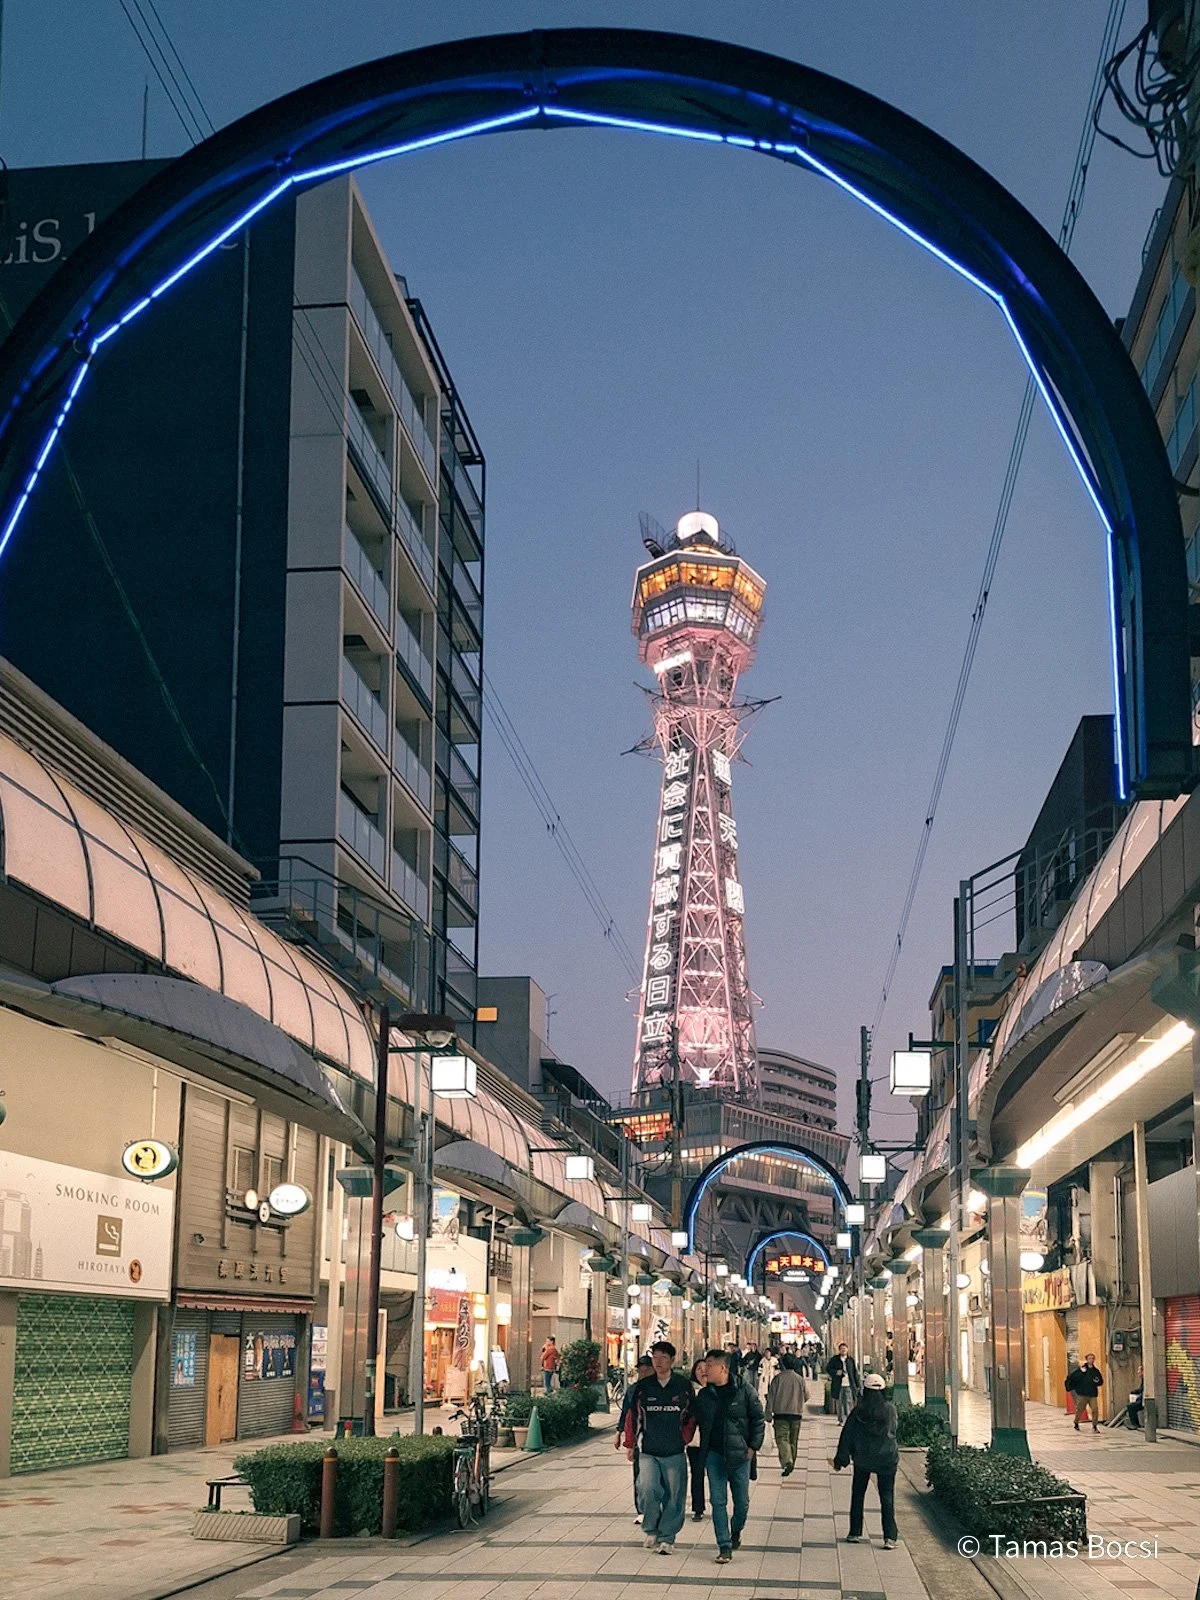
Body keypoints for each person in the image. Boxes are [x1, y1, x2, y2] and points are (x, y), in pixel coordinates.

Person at [692, 1346, 766, 1564]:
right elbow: (692, 1420)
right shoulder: (705, 1395)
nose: (705, 1369)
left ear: (723, 1367)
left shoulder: (745, 1389)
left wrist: (753, 1447)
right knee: (718, 1501)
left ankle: (735, 1531)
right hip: (714, 1455)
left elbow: (758, 1419)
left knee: (742, 1503)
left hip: (740, 1455)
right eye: (704, 1365)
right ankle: (724, 1545)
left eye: (710, 1365)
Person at [622, 1340, 695, 1555]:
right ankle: (651, 1529)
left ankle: (667, 1537)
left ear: (672, 1360)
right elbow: (633, 1416)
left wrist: (685, 1439)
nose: (658, 1361)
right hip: (648, 1450)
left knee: (674, 1495)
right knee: (647, 1488)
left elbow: (691, 1416)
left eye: (663, 1357)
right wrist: (630, 1443)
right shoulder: (644, 1388)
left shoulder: (682, 1386)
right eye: (655, 1357)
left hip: (674, 1450)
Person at [832, 1371, 899, 1549]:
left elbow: (847, 1435)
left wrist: (841, 1459)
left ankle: (855, 1532)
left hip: (863, 1458)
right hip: (887, 1459)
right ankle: (889, 1537)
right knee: (887, 1496)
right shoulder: (890, 1409)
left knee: (858, 1493)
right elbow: (894, 1431)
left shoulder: (858, 1411)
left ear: (865, 1391)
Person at [615, 1353, 654, 1520]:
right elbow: (626, 1413)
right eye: (641, 1370)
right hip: (639, 1440)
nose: (643, 1373)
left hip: (659, 1440)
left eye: (647, 1370)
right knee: (639, 1475)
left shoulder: (661, 1388)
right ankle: (641, 1510)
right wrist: (620, 1433)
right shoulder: (633, 1390)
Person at [766, 1352, 806, 1476]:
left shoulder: (777, 1379)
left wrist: (767, 1414)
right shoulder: (799, 1379)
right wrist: (797, 1401)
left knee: (782, 1438)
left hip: (780, 1414)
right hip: (796, 1414)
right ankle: (791, 1461)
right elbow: (807, 1395)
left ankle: (787, 1461)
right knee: (793, 1440)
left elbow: (771, 1398)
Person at [687, 1357, 709, 1520]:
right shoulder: (690, 1392)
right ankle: (698, 1507)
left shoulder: (716, 1391)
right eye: (698, 1369)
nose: (702, 1371)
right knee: (697, 1474)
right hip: (695, 1440)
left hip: (713, 1439)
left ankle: (718, 1503)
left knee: (717, 1474)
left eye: (705, 1368)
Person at [1065, 1353, 1104, 1431]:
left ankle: (1094, 1426)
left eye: (1093, 1358)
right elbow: (1073, 1378)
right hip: (1082, 1393)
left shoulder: (1096, 1371)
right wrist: (1081, 1373)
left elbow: (1100, 1381)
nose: (1091, 1360)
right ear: (1087, 1359)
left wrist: (1097, 1381)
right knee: (1080, 1410)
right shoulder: (1082, 1369)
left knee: (1095, 1409)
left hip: (1092, 1394)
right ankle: (1076, 1422)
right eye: (1090, 1358)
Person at [826, 1342, 860, 1422]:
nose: (843, 1350)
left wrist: (857, 1384)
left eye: (845, 1349)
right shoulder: (835, 1359)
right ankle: (841, 1420)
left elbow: (854, 1373)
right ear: (839, 1350)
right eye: (842, 1349)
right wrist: (836, 1372)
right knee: (840, 1403)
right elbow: (828, 1369)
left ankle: (848, 1420)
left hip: (849, 1384)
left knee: (849, 1402)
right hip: (838, 1384)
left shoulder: (850, 1360)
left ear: (847, 1350)